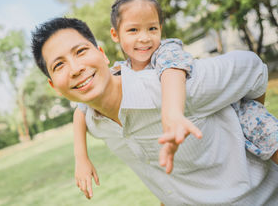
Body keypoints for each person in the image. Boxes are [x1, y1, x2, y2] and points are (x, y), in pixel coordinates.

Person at [31, 17, 278, 205]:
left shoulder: (174, 88)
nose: (75, 68)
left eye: (81, 51)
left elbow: (253, 68)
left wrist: (250, 119)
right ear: (54, 86)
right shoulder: (95, 121)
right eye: (59, 65)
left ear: (102, 54)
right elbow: (81, 111)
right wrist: (80, 158)